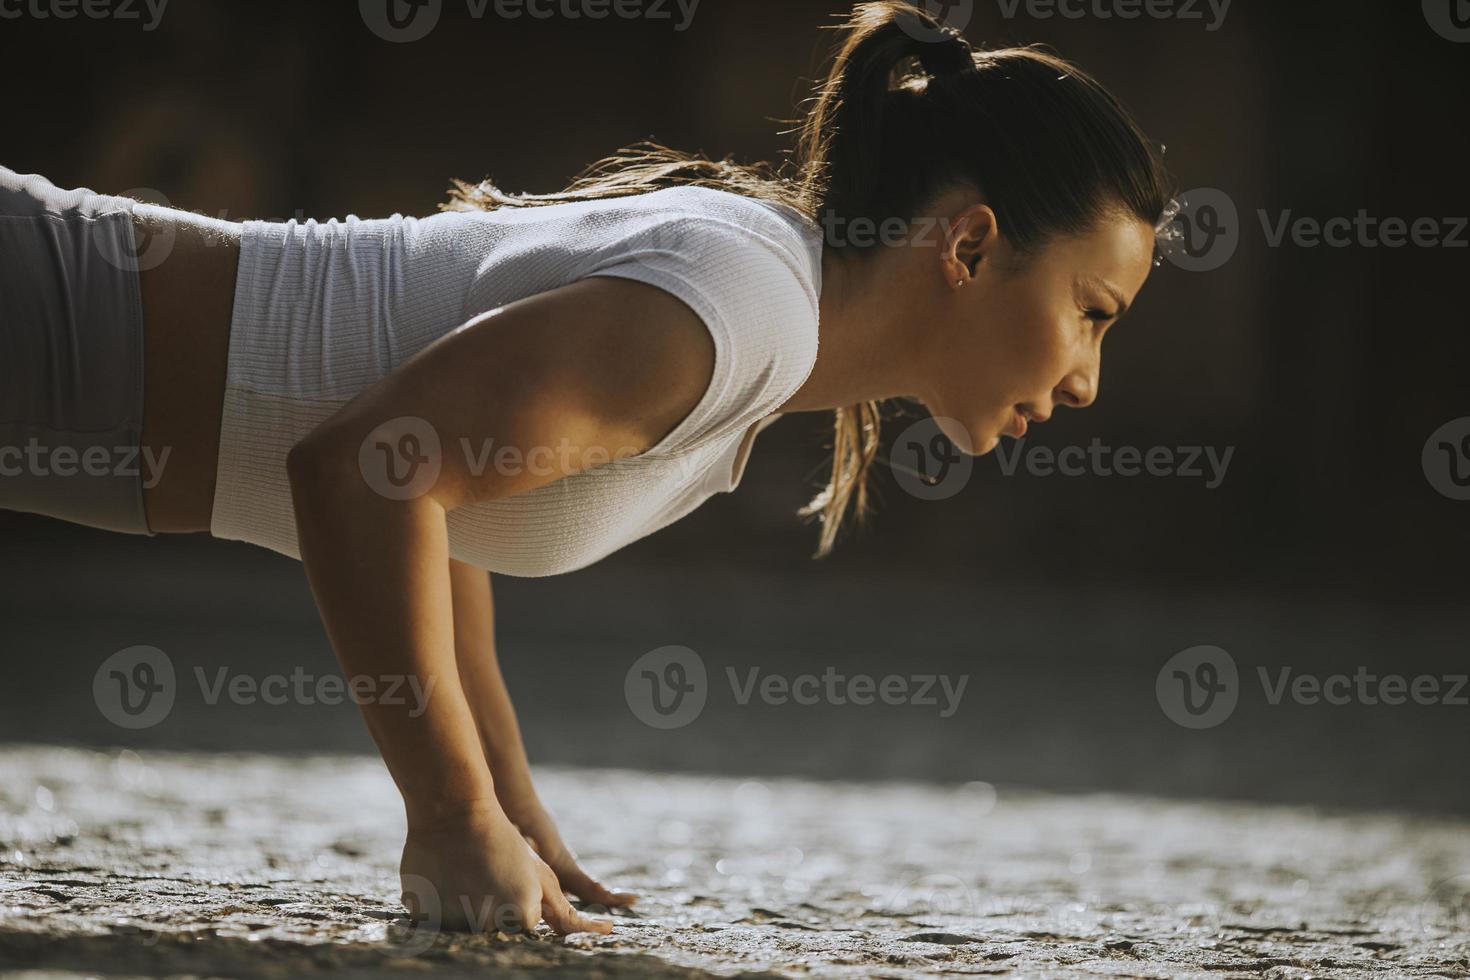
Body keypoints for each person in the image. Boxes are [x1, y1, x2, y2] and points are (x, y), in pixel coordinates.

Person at [0, 1, 1173, 937]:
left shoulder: (760, 322)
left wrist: (507, 802)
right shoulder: (746, 305)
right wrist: (451, 816)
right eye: (1094, 312)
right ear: (970, 244)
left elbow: (448, 501)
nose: (1088, 380)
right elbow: (366, 473)